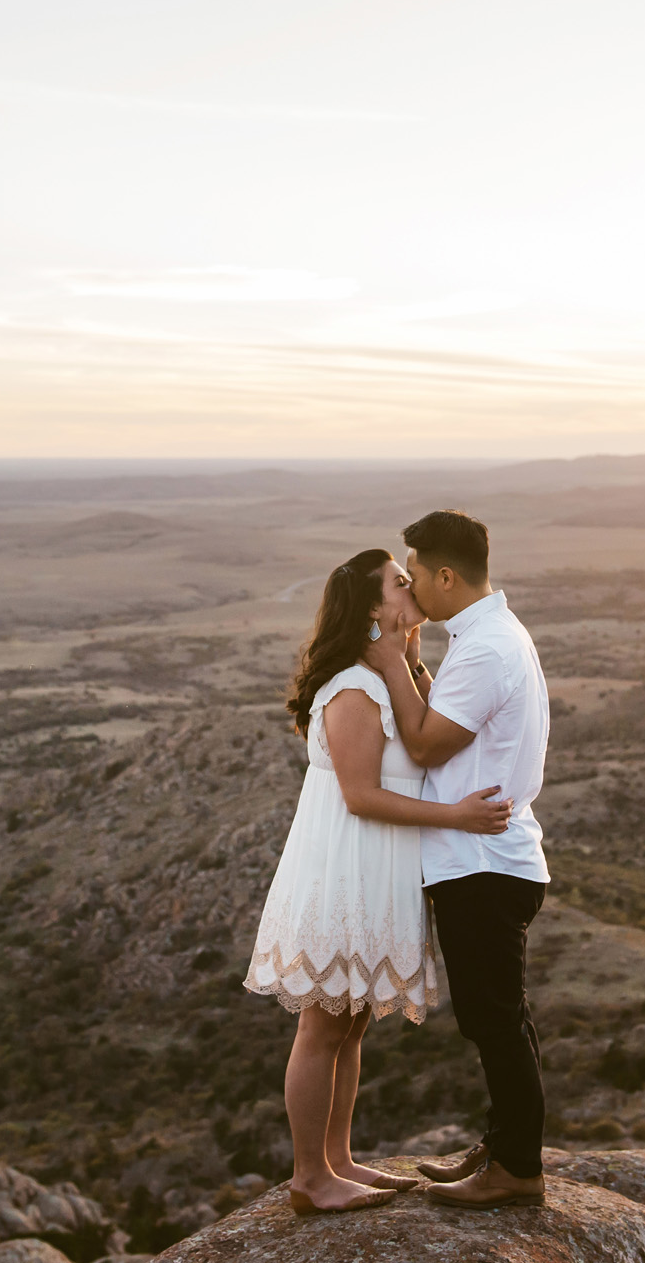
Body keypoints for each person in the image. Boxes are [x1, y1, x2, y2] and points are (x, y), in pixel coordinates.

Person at [243, 547, 515, 1217]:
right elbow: (361, 795)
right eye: (398, 581)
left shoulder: (386, 676)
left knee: (352, 1024)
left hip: (374, 868)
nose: (410, 584)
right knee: (323, 1026)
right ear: (370, 608)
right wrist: (455, 816)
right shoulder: (353, 688)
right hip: (344, 871)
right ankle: (311, 1177)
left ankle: (338, 1159)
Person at [363, 510, 553, 1210]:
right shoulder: (491, 636)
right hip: (493, 857)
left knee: (493, 1020)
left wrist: (388, 662)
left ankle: (518, 1171)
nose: (411, 586)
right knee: (504, 1016)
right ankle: (505, 1146)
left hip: (481, 862)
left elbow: (425, 744)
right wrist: (412, 662)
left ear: (446, 576)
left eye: (415, 574)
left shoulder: (483, 649)